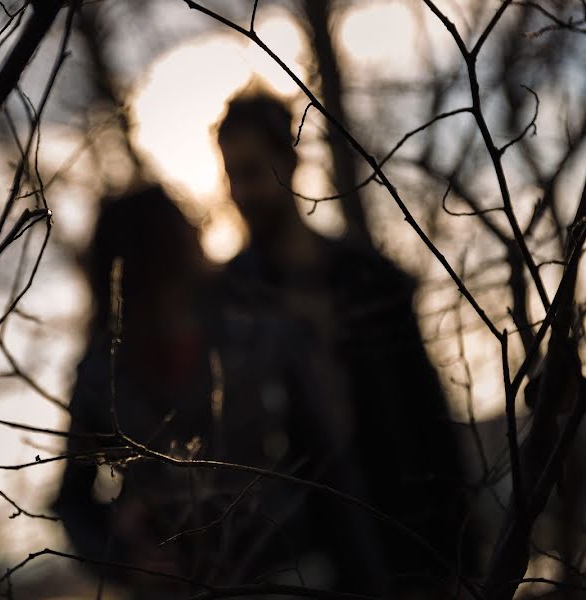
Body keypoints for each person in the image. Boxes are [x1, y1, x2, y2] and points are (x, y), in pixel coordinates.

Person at [213, 88, 474, 596]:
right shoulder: (228, 306)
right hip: (306, 570)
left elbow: (428, 415)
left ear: (288, 163)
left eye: (250, 171)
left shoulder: (368, 279)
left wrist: (464, 545)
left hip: (415, 549)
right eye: (230, 176)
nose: (240, 192)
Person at [52, 186, 221, 594]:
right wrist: (128, 562)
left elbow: (325, 459)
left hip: (276, 567)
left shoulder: (248, 332)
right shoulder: (99, 371)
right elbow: (72, 501)